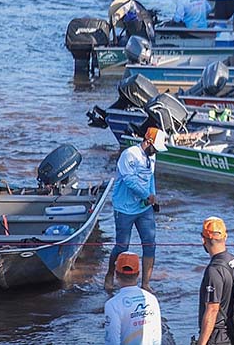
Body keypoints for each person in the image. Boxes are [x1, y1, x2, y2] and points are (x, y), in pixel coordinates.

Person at [104, 127, 167, 293]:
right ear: (148, 142)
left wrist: (153, 196)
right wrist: (147, 195)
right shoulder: (130, 155)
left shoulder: (152, 156)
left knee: (150, 244)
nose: (156, 152)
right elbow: (130, 181)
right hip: (124, 208)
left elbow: (150, 177)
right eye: (155, 148)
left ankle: (145, 283)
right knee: (122, 246)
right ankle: (110, 274)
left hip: (144, 208)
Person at [197, 217, 234, 345]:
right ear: (225, 237)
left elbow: (212, 310)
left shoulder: (214, 270)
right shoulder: (233, 261)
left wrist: (201, 343)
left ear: (203, 239)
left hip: (218, 337)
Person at [104, 252, 162, 345]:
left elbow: (112, 340)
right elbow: (157, 338)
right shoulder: (152, 299)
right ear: (138, 274)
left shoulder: (112, 305)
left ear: (116, 275)